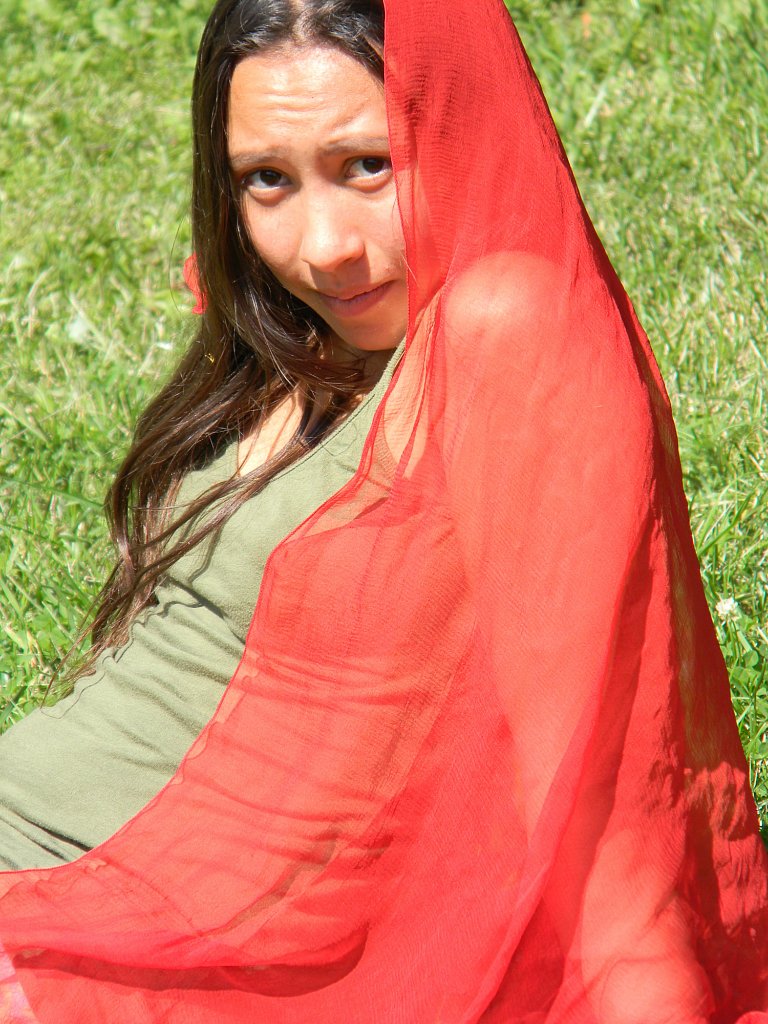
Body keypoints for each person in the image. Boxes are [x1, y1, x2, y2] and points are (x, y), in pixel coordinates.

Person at [0, 0, 766, 1020]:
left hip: (134, 931)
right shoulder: (288, 343)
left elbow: (604, 773)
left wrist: (646, 985)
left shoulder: (507, 333)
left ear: (462, 127)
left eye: (368, 165)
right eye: (267, 180)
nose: (324, 249)